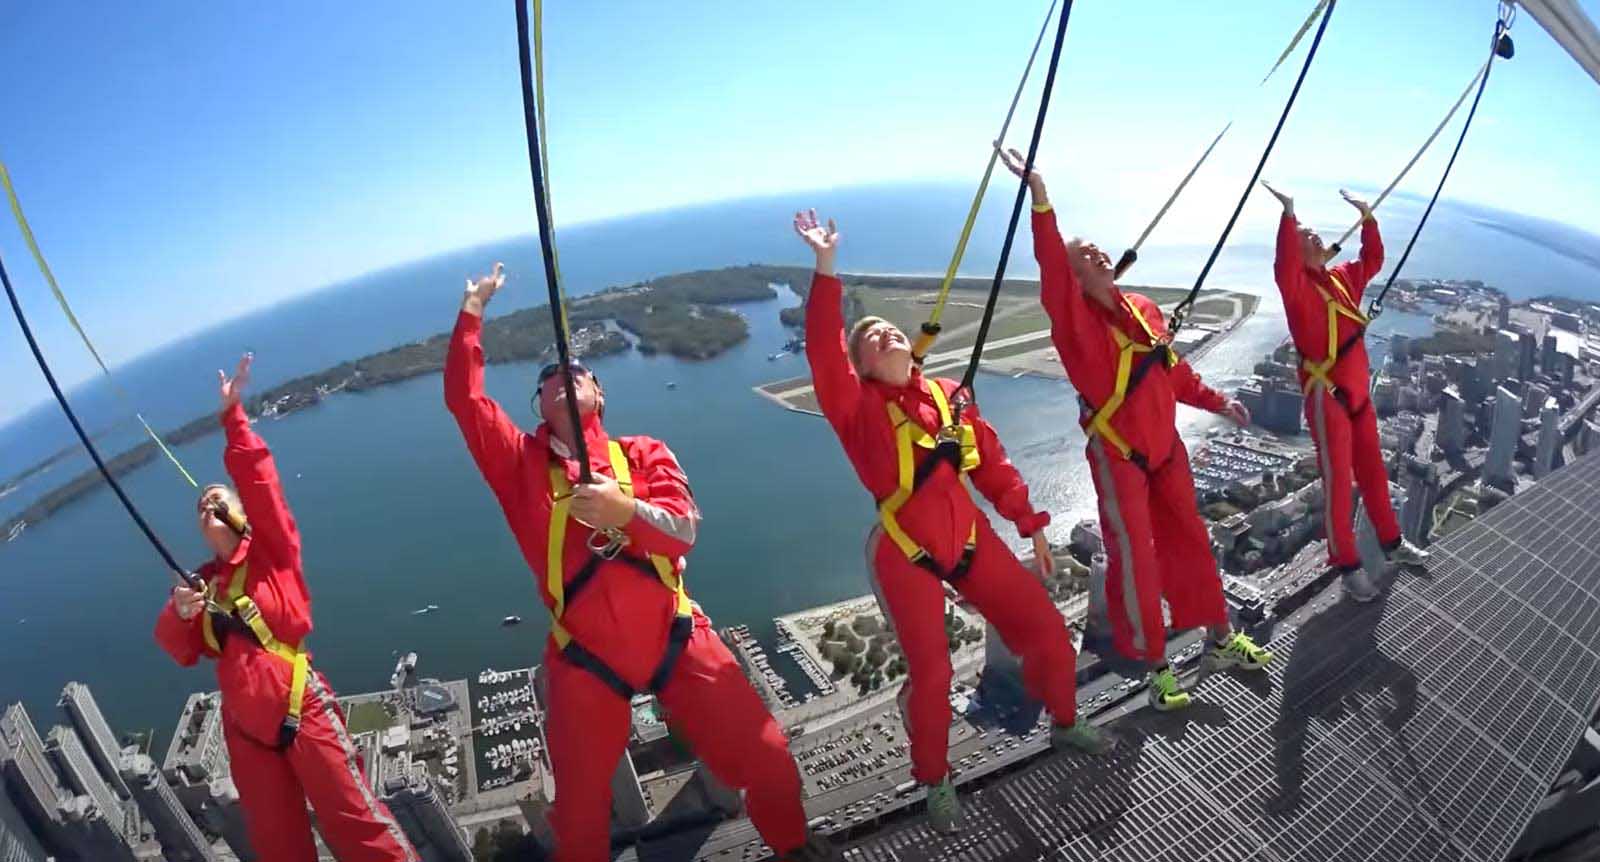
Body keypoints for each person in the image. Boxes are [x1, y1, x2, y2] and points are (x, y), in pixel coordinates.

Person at [443, 264, 829, 862]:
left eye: (576, 374)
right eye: (549, 380)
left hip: (674, 632)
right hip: (585, 656)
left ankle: (795, 845)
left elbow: (684, 533)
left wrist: (621, 509)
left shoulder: (642, 453)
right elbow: (465, 401)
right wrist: (472, 315)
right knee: (578, 812)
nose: (562, 380)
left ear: (601, 395)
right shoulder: (520, 467)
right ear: (539, 406)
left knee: (768, 755)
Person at [793, 210, 1110, 835]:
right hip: (905, 552)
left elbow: (992, 465)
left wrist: (1033, 524)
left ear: (910, 347)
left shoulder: (949, 399)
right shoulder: (857, 412)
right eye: (868, 338)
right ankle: (935, 777)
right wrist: (826, 268)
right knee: (934, 674)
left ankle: (1066, 722)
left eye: (887, 328)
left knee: (1046, 631)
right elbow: (823, 354)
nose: (881, 333)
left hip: (969, 540)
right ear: (858, 365)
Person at [999, 147, 1273, 713]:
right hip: (1119, 454)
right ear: (1073, 278)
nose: (1095, 250)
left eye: (1096, 246)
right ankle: (1155, 668)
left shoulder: (1146, 309)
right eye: (1083, 254)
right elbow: (1052, 268)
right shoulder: (1076, 325)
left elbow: (1174, 373)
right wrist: (1041, 198)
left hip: (1165, 449)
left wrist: (1218, 401)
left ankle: (1219, 637)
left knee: (1193, 544)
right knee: (1136, 561)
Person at [155, 354, 419, 862]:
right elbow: (178, 648)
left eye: (216, 500)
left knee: (358, 828)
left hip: (302, 706)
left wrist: (234, 418)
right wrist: (180, 612)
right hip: (246, 733)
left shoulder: (273, 552)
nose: (206, 507)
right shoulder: (202, 587)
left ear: (239, 512)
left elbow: (261, 483)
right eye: (200, 507)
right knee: (280, 850)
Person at [1261, 182, 1429, 600]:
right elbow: (1283, 266)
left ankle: (1392, 543)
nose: (1314, 237)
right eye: (1306, 237)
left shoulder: (1341, 280)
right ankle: (1346, 563)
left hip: (1357, 394)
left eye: (1315, 233)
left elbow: (1372, 259)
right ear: (1296, 252)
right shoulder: (1297, 290)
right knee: (1339, 482)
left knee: (1373, 471)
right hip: (1327, 395)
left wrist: (1369, 218)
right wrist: (1288, 215)